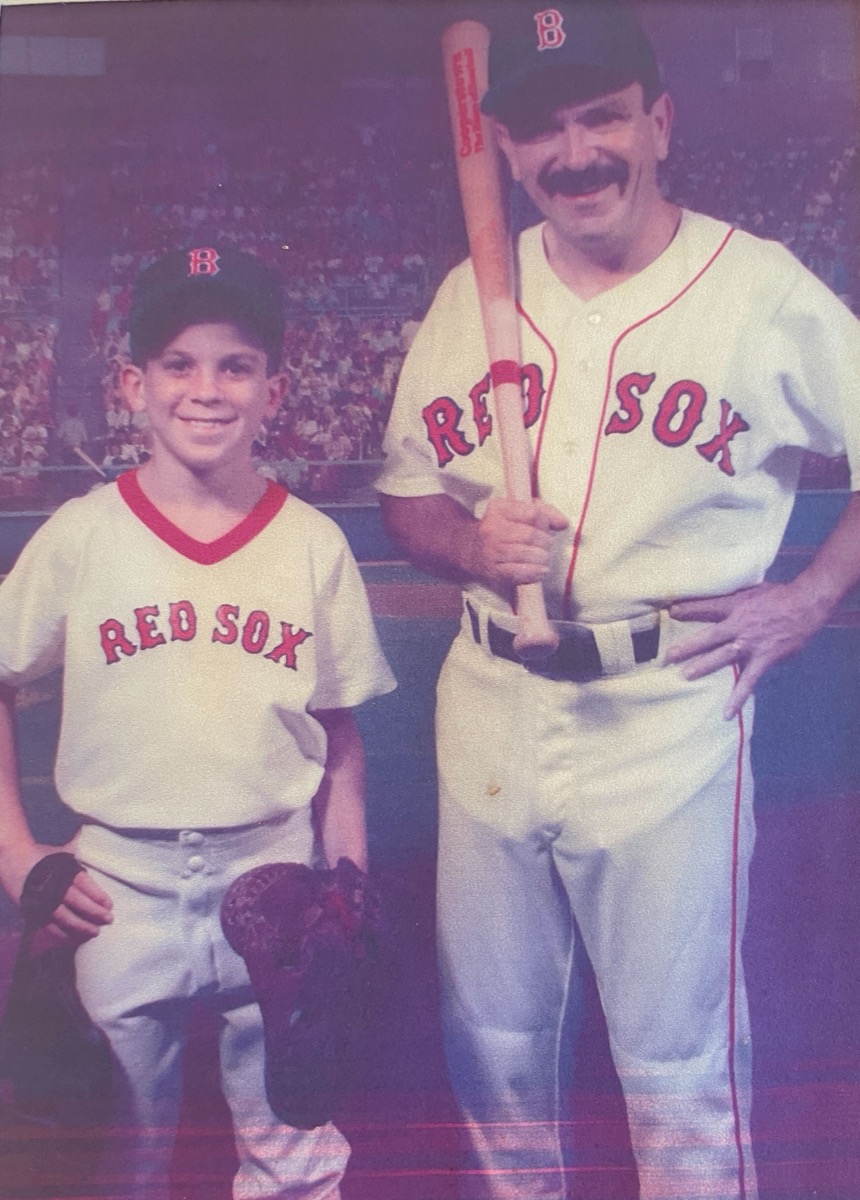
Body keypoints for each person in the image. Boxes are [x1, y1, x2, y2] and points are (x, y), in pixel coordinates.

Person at [376, 4, 860, 1198]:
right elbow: (404, 497)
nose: (573, 152)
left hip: (667, 712)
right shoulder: (465, 290)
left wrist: (805, 598)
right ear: (508, 151)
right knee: (488, 1048)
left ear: (658, 123)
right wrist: (473, 544)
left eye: (600, 117)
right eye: (540, 128)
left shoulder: (760, 292)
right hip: (486, 700)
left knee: (674, 1062)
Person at [0, 246, 395, 1200]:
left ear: (276, 388)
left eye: (236, 364)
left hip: (274, 872)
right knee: (111, 1163)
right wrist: (18, 860)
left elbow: (339, 736)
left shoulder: (312, 542)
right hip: (116, 888)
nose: (206, 388)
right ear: (133, 384)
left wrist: (346, 882)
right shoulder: (82, 534)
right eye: (178, 363)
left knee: (296, 1158)